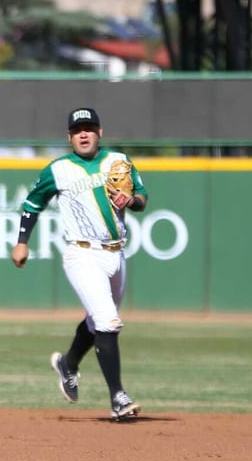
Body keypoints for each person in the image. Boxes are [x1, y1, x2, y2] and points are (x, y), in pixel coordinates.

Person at [10, 107, 148, 421]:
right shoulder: (57, 169)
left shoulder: (119, 162)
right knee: (108, 322)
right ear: (69, 137)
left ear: (100, 132)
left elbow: (141, 197)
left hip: (116, 253)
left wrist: (132, 201)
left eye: (89, 128)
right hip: (81, 253)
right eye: (77, 130)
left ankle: (68, 364)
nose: (83, 134)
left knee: (97, 322)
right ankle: (118, 398)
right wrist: (22, 241)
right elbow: (33, 203)